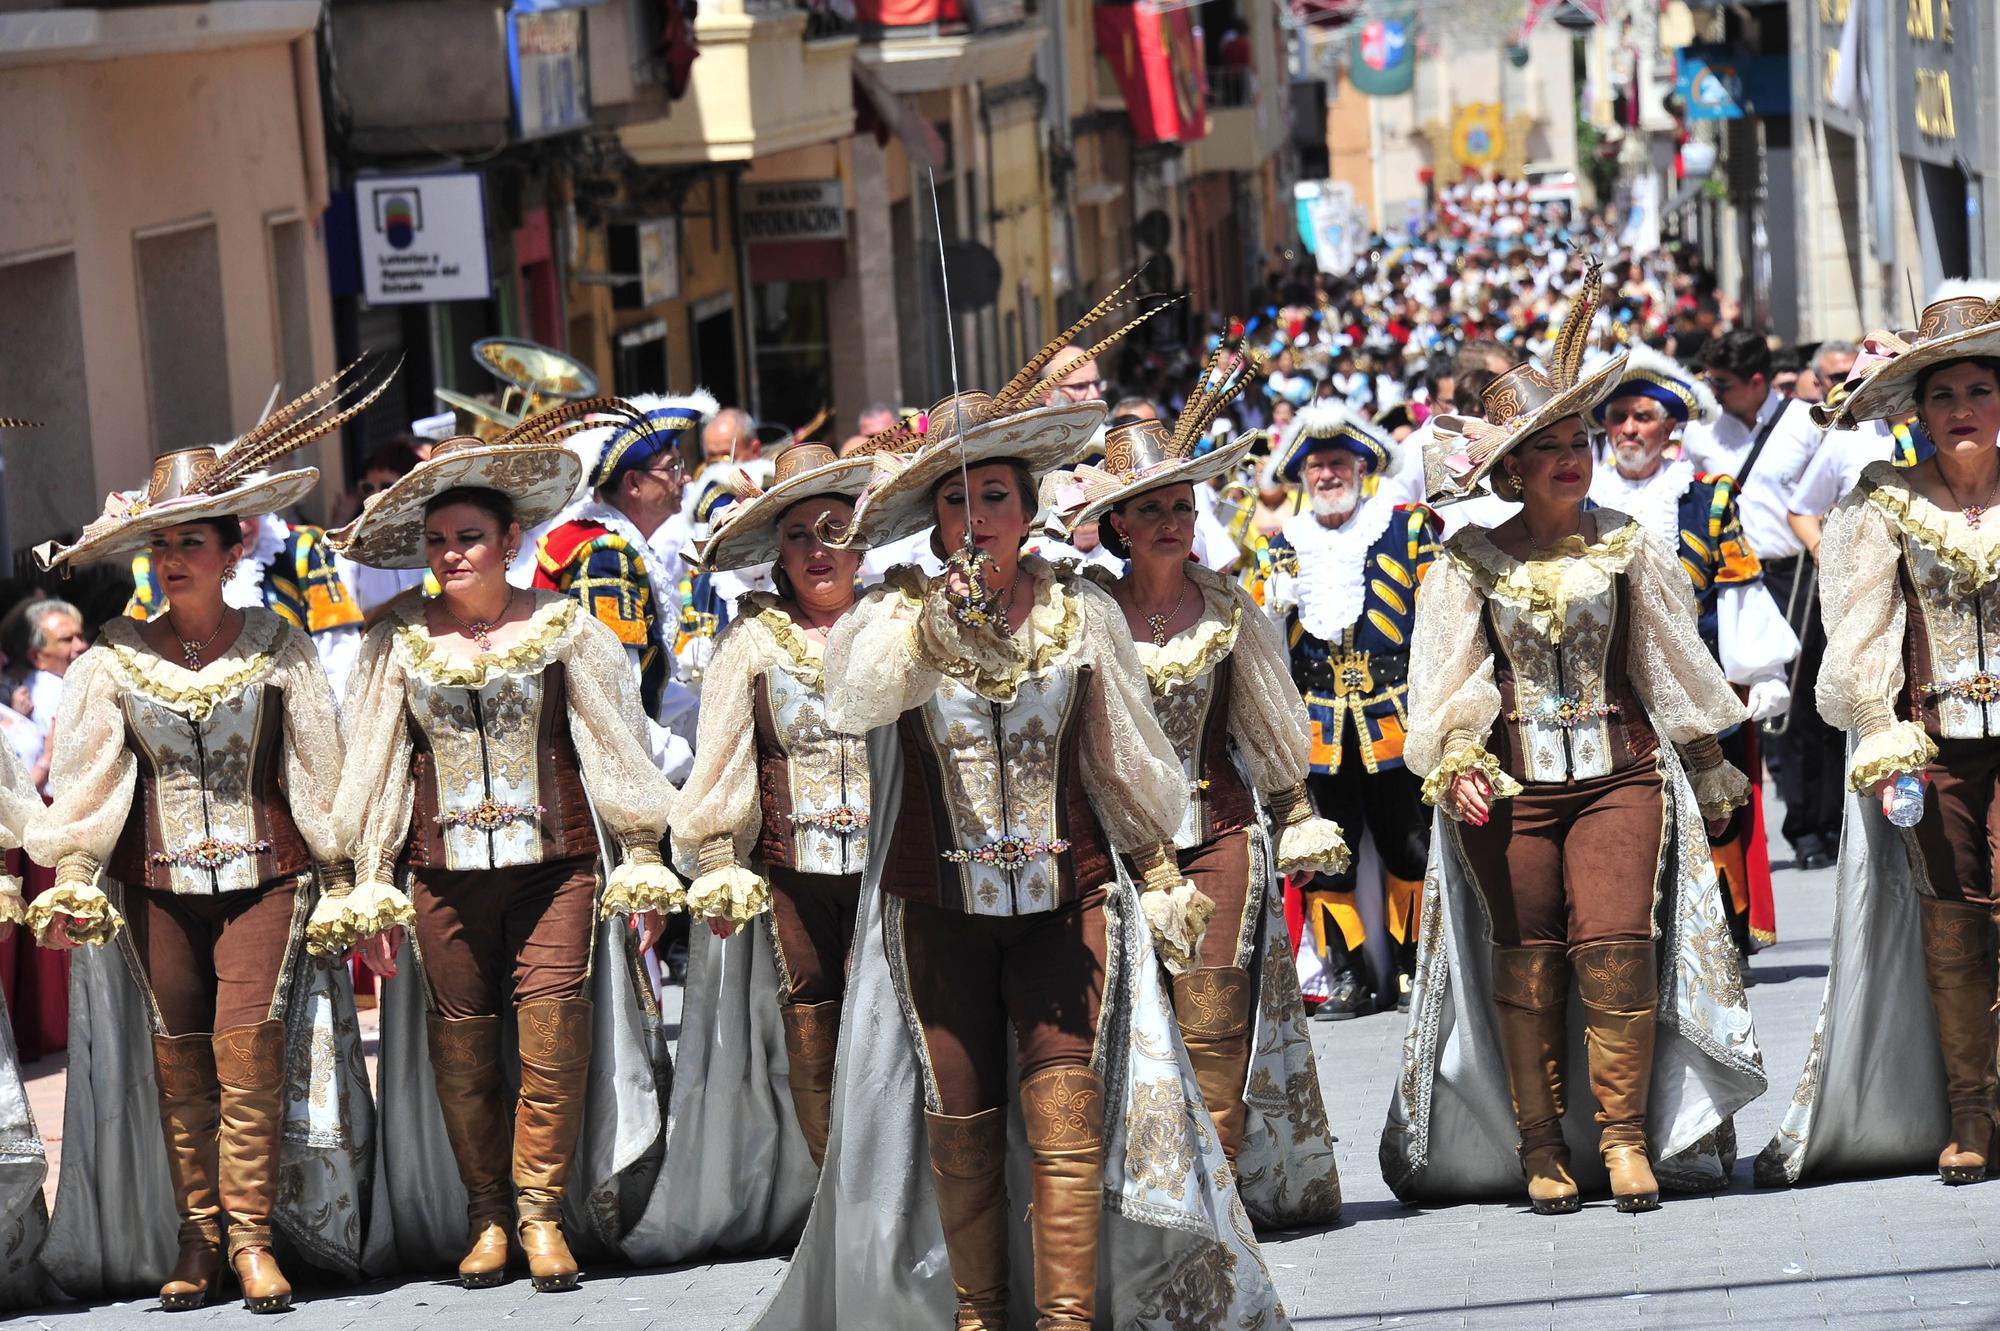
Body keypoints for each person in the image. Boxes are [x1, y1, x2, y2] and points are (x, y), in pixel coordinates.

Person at [755, 293, 1290, 1331]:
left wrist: (1157, 864)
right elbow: (850, 701)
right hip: (937, 904)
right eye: (956, 503)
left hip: (1065, 900)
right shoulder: (891, 611)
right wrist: (924, 634)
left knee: (1064, 1110)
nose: (978, 519)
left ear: (1026, 505)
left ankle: (1065, 1319)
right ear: (936, 521)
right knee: (960, 1117)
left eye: (994, 496)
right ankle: (973, 1313)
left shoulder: (1081, 606)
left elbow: (1123, 748)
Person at [1385, 263, 1764, 1214]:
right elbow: (1442, 684)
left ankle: (1628, 1139)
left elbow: (1671, 665)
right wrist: (1458, 755)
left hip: (1619, 775)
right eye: (1547, 447)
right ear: (1509, 465)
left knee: (1617, 947)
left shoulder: (1631, 543)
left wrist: (1709, 760)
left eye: (1579, 440)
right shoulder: (1467, 561)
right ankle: (1542, 1142)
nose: (1571, 458)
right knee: (1528, 958)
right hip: (1510, 789)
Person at [24, 364, 392, 1311]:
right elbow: (89, 782)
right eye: (159, 544)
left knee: (248, 1048)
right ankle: (200, 1237)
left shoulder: (280, 642)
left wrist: (349, 871)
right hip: (155, 886)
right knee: (178, 1056)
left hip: (269, 877)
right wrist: (70, 871)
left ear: (234, 549)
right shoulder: (111, 656)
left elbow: (322, 768)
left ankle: (257, 1238)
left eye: (191, 540)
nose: (171, 558)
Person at [322, 402, 682, 1290]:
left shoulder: (566, 626)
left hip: (556, 867)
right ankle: (486, 1213)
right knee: (466, 1049)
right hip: (440, 876)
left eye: (470, 536)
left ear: (512, 537)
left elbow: (615, 742)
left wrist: (639, 851)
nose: (452, 554)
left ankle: (541, 1214)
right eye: (439, 539)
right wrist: (367, 877)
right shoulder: (394, 642)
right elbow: (373, 765)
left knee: (553, 1040)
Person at [1054, 354, 1347, 1226]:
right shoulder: (1082, 611)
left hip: (1219, 832)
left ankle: (1216, 1192)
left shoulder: (1228, 608)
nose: (1174, 521)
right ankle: (1135, 1197)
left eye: (1183, 505)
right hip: (1111, 848)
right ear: (1117, 524)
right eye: (1153, 508)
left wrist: (1296, 812)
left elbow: (1267, 722)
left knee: (1215, 1008)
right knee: (1124, 1020)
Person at [1760, 286, 2000, 1187]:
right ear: (1918, 414)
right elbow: (1855, 629)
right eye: (1943, 395)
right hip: (1933, 749)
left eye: (1979, 389)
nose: (1963, 409)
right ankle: (1971, 1113)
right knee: (1952, 926)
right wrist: (1878, 724)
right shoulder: (1883, 498)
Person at [674, 442, 874, 1169]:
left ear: (862, 542)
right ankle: (836, 1196)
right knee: (813, 1019)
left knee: (901, 1020)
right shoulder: (751, 638)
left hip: (900, 863)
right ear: (778, 556)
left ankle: (913, 1196)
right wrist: (721, 856)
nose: (819, 550)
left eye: (834, 530)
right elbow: (723, 755)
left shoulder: (897, 624)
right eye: (799, 535)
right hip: (797, 869)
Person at [1590, 345, 1799, 959]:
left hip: (1701, 678)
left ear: (1671, 427)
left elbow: (1738, 586)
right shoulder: (1579, 498)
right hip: (1606, 686)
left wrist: (1756, 673)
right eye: (1618, 416)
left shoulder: (1705, 497)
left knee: (1718, 805)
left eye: (1643, 416)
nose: (1629, 428)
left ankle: (1725, 938)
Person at [1262, 401, 1442, 1018]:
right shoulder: (1282, 545)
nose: (1327, 475)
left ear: (1361, 467)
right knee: (1329, 855)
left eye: (1338, 462)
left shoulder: (1405, 529)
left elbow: (1439, 623)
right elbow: (1265, 647)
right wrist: (1271, 609)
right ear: (1303, 477)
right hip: (1318, 728)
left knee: (1409, 844)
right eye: (1316, 467)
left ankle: (1416, 966)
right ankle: (1352, 976)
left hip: (1396, 719)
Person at [1685, 330, 1845, 868]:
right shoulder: (1705, 434)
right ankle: (1802, 826)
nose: (1715, 392)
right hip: (1742, 581)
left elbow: (1835, 488)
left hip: (1802, 570)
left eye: (1723, 384)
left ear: (1756, 383)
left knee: (1819, 699)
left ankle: (1832, 819)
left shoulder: (1806, 422)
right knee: (1774, 704)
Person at [532, 393, 715, 739]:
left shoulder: (614, 543)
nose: (686, 478)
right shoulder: (606, 559)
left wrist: (706, 732)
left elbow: (652, 686)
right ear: (633, 483)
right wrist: (681, 763)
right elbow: (617, 697)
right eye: (673, 467)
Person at [21, 599, 85, 726]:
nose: (81, 646)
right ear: (36, 657)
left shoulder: (71, 684)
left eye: (80, 636)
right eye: (66, 640)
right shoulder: (46, 701)